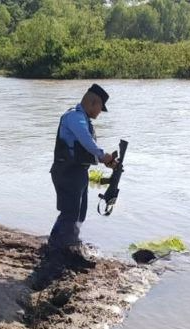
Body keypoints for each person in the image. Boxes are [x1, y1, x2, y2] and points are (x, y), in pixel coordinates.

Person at [48, 84, 117, 264]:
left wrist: (107, 161)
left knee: (80, 212)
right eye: (100, 109)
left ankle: (68, 242)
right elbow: (87, 142)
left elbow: (87, 151)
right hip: (67, 172)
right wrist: (103, 156)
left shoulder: (84, 120)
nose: (100, 113)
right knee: (70, 211)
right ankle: (60, 248)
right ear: (93, 103)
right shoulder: (74, 117)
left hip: (78, 172)